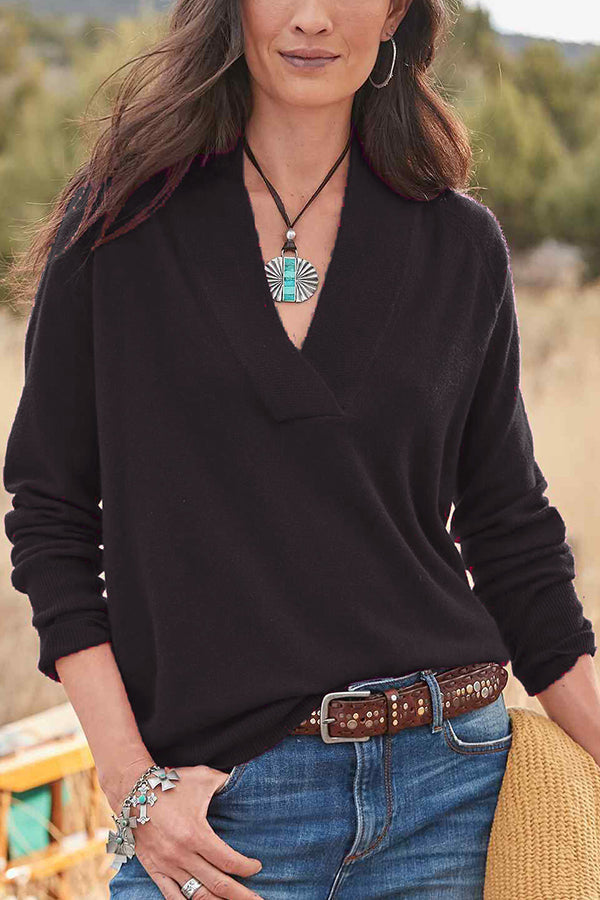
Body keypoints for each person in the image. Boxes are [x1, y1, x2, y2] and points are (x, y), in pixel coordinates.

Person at [3, 0, 598, 897]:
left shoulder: (459, 244)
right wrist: (132, 785)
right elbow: (50, 514)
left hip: (454, 794)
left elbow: (512, 536)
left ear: (395, 13)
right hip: (222, 818)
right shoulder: (121, 226)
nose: (312, 18)